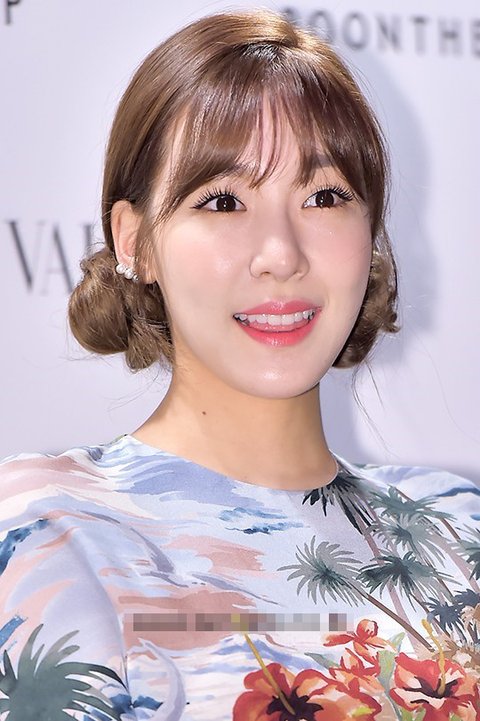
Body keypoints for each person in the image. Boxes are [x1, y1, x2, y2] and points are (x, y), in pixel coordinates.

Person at [0, 9, 479, 721]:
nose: (280, 253)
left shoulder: (454, 529)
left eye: (324, 197)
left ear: (371, 232)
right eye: (223, 201)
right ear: (135, 241)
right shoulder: (53, 528)